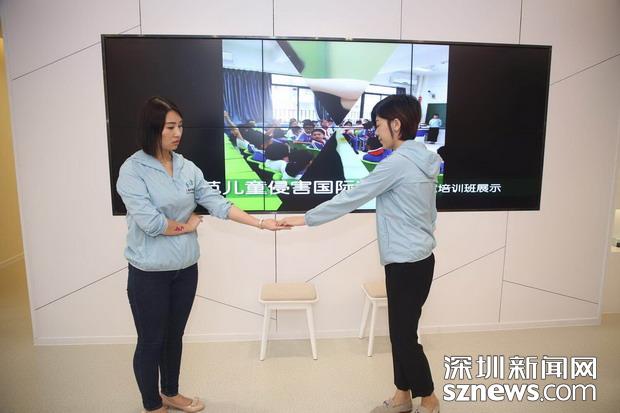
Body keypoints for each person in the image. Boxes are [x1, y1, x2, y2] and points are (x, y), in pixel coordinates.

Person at [117, 97, 285, 413]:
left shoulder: (186, 167)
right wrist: (189, 224)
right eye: (170, 127)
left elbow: (217, 203)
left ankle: (170, 392)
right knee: (151, 340)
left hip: (185, 269)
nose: (177, 133)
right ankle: (152, 404)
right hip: (149, 273)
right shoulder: (132, 170)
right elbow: (152, 224)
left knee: (174, 336)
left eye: (180, 126)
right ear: (153, 128)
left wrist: (261, 224)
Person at [279, 94, 442, 413]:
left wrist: (305, 218)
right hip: (420, 259)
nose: (375, 132)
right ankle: (402, 396)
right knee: (401, 332)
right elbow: (431, 214)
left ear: (396, 125)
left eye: (379, 125)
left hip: (406, 263)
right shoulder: (425, 158)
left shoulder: (397, 163)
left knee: (403, 337)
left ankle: (429, 398)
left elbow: (352, 197)